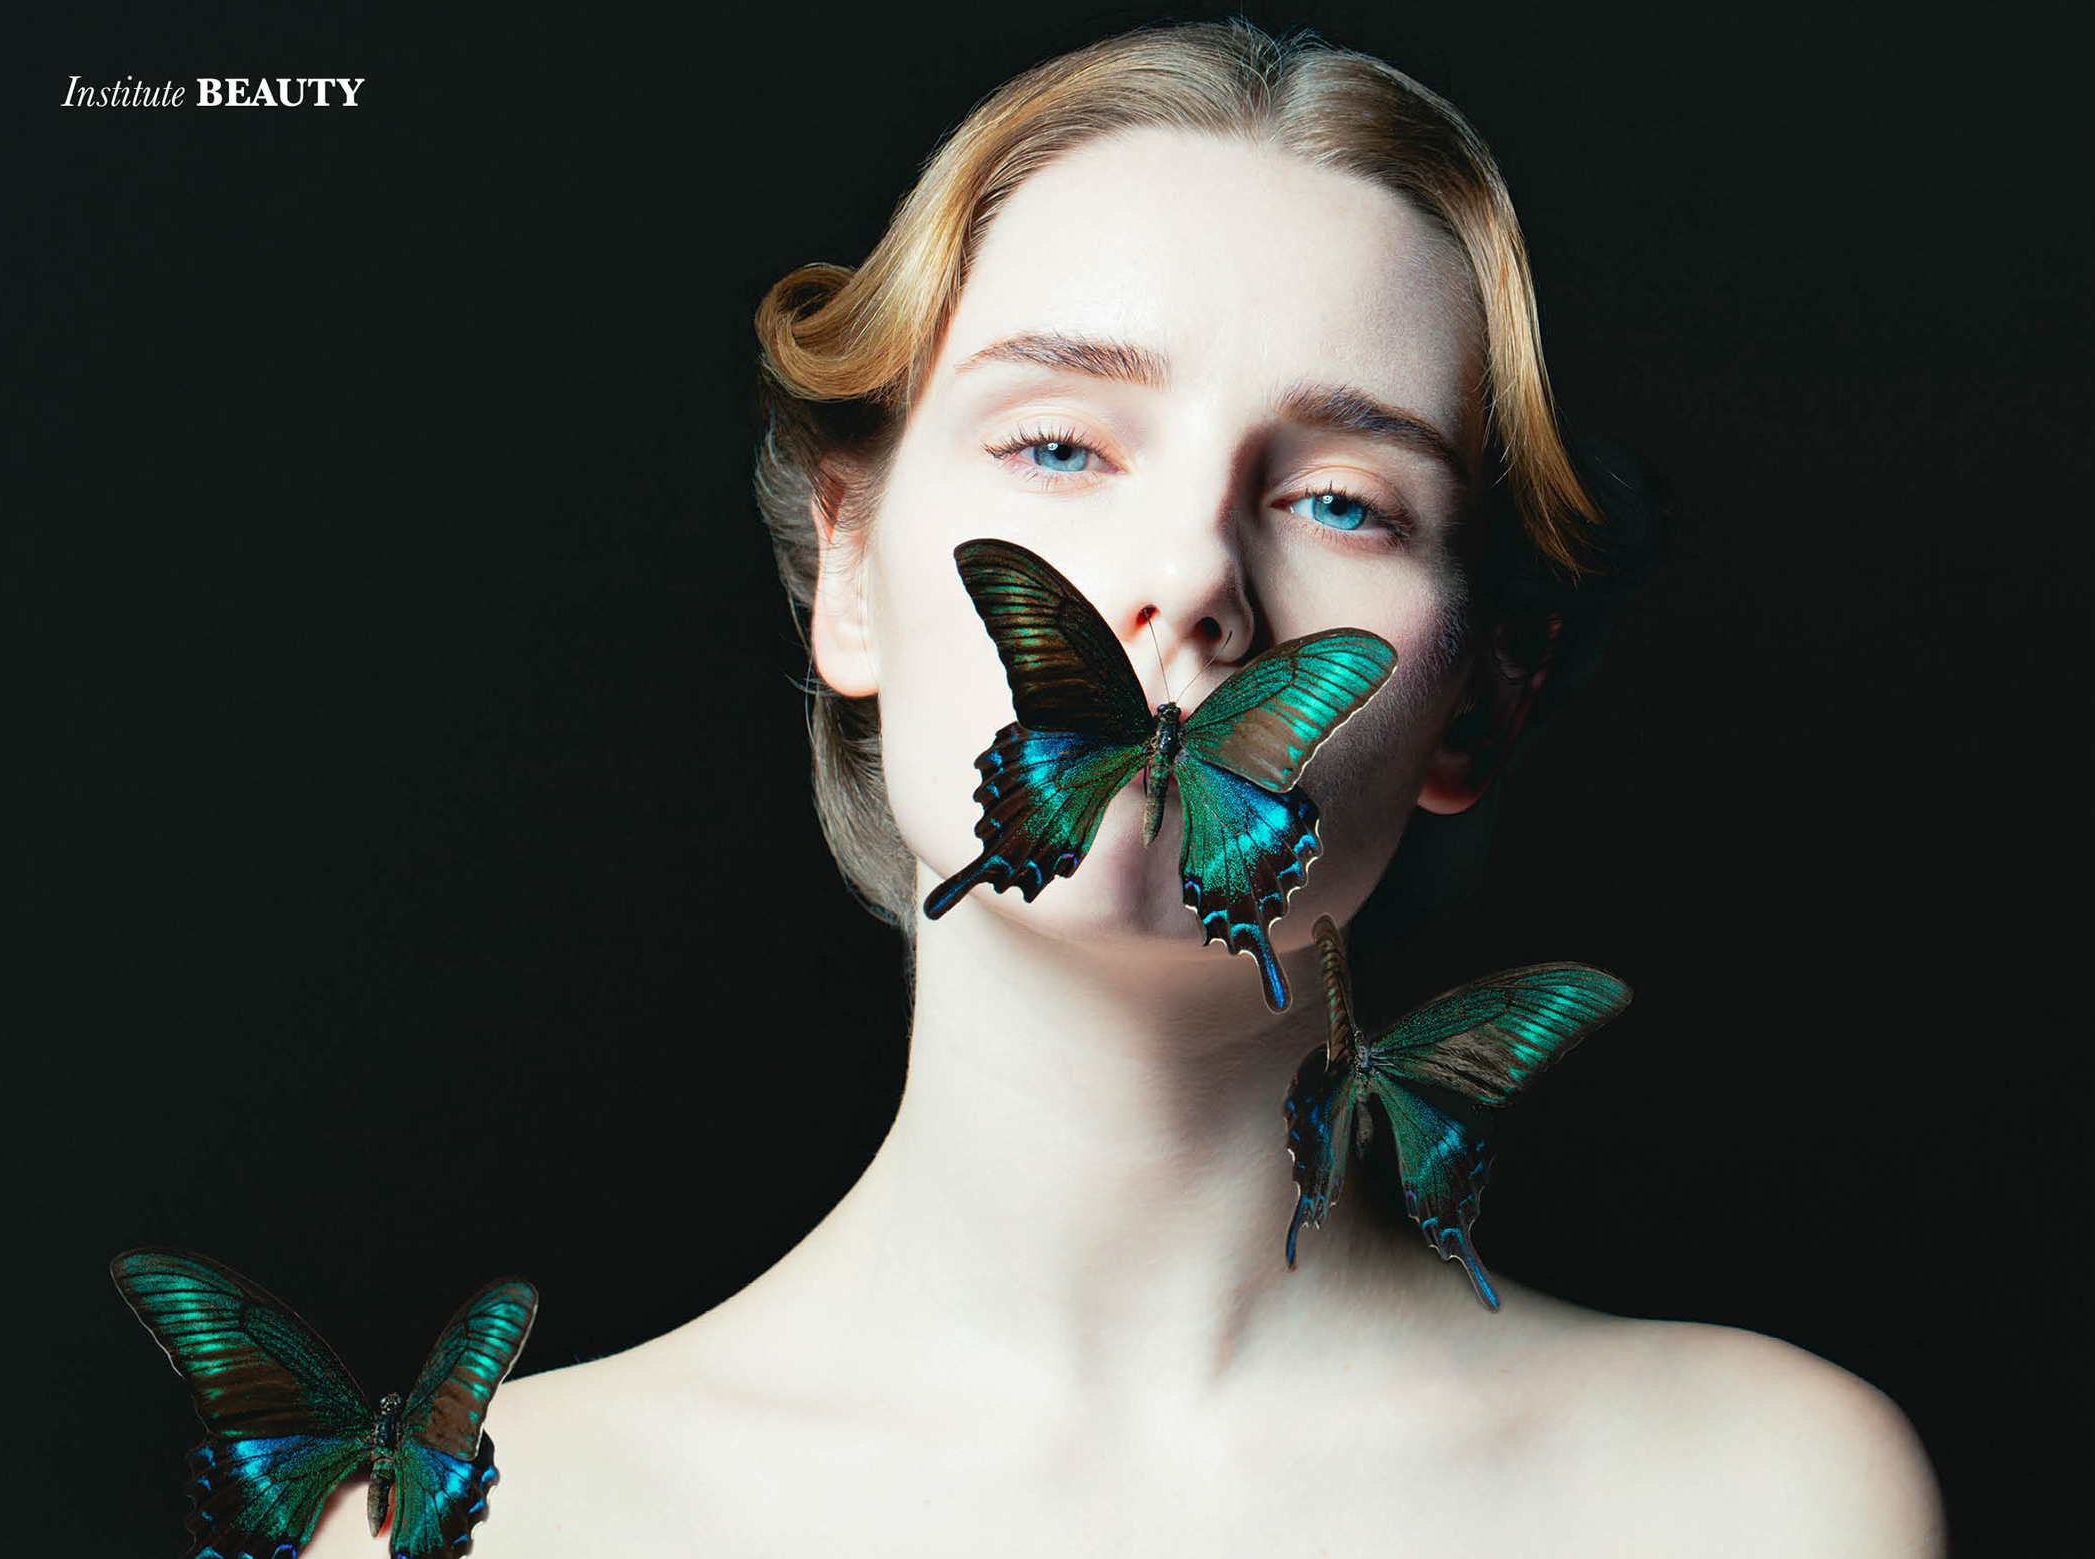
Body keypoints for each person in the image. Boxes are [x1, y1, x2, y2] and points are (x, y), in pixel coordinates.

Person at [304, 20, 1942, 1555]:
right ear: (850, 569)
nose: (1191, 579)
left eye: (1344, 501)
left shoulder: (1756, 1500)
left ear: (1479, 699)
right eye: (1062, 447)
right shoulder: (486, 1524)